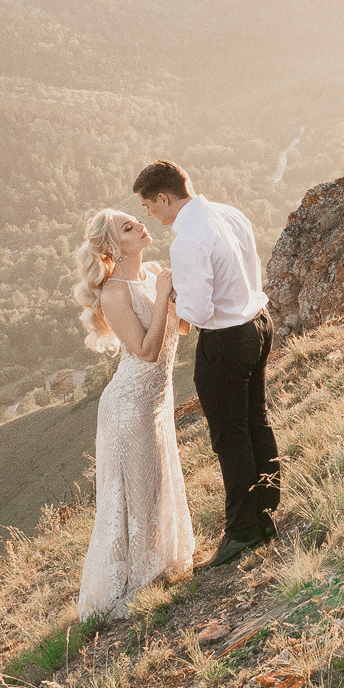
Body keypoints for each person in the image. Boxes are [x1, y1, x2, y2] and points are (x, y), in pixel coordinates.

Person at [134, 158, 280, 566]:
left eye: (148, 205)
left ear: (164, 198)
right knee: (256, 420)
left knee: (229, 437)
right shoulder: (230, 214)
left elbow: (196, 312)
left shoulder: (187, 241)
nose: (149, 214)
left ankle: (242, 532)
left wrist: (169, 294)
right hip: (259, 324)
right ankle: (265, 512)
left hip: (226, 341)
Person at [72, 208, 194, 619]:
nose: (141, 226)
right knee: (138, 496)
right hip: (129, 407)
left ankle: (159, 567)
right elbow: (146, 351)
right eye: (128, 228)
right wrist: (162, 294)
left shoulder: (154, 272)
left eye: (136, 221)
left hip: (157, 400)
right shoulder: (114, 293)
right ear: (114, 248)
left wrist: (179, 290)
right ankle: (137, 585)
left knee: (157, 485)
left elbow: (181, 330)